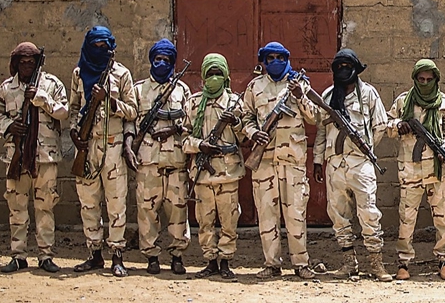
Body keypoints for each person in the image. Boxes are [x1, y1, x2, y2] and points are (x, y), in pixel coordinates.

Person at [313, 49, 393, 282]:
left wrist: (364, 146)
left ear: (356, 67)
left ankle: (376, 263)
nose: (343, 70)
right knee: (338, 215)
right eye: (339, 66)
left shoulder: (367, 94)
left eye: (348, 65)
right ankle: (349, 262)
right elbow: (321, 131)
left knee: (368, 213)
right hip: (335, 164)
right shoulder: (328, 96)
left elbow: (380, 125)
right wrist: (319, 160)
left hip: (361, 163)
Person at [243, 42, 320, 279]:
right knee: (267, 214)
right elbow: (245, 116)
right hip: (264, 161)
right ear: (264, 62)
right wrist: (253, 133)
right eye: (270, 58)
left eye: (279, 57)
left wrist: (300, 97)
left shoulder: (300, 85)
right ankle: (271, 264)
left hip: (292, 162)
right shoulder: (255, 87)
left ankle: (301, 263)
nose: (275, 61)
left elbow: (314, 118)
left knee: (296, 214)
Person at [0, 42, 68, 273]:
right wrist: (10, 126)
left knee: (45, 207)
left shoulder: (51, 85)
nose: (26, 67)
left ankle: (45, 255)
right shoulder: (6, 88)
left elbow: (63, 112)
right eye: (22, 63)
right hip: (16, 155)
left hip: (45, 157)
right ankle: (18, 255)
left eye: (31, 63)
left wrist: (42, 99)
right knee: (16, 206)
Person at [68, 26, 138, 276]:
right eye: (95, 46)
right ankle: (94, 253)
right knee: (88, 202)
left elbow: (133, 111)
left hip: (114, 146)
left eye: (104, 46)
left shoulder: (121, 74)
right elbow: (74, 107)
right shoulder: (79, 73)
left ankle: (117, 255)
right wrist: (75, 132)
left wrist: (110, 100)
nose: (100, 50)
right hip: (88, 146)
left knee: (116, 201)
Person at [124, 38, 193, 275]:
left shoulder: (181, 90)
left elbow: (190, 123)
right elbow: (131, 124)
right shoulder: (138, 89)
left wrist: (172, 129)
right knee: (147, 212)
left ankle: (177, 256)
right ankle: (151, 256)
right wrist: (129, 147)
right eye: (157, 59)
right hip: (148, 161)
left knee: (178, 211)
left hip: (175, 161)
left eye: (166, 60)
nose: (161, 63)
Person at [387, 59, 445, 281]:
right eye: (421, 79)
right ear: (415, 79)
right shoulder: (403, 101)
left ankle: (444, 260)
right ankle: (403, 262)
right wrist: (398, 126)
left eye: (429, 79)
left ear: (436, 79)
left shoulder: (443, 103)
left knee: (442, 219)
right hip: (410, 170)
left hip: (437, 171)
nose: (425, 82)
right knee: (406, 218)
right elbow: (385, 126)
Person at [184, 53, 249, 280]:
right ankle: (210, 260)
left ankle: (225, 262)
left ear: (225, 76)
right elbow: (183, 139)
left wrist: (237, 123)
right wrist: (200, 145)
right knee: (205, 221)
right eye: (210, 74)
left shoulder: (235, 103)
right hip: (202, 173)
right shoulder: (193, 104)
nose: (214, 78)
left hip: (228, 172)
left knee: (229, 221)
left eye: (218, 74)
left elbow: (244, 138)